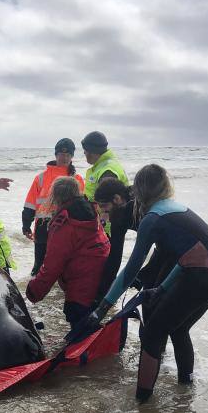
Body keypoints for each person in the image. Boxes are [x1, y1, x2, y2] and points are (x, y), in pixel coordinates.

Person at [85, 164, 208, 402]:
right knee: (178, 327)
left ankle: (142, 403)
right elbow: (187, 256)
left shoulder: (151, 219)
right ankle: (186, 387)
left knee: (153, 331)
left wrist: (101, 309)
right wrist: (161, 288)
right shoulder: (174, 208)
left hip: (202, 276)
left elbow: (131, 269)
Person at [26, 177, 110, 326]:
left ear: (56, 197)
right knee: (92, 331)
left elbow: (53, 264)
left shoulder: (64, 223)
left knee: (79, 335)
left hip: (82, 290)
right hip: (102, 283)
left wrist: (33, 292)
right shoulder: (91, 212)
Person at [93, 178, 166, 301]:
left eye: (105, 206)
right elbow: (115, 255)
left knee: (155, 296)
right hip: (161, 248)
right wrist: (101, 295)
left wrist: (145, 272)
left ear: (117, 199)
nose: (104, 213)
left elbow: (140, 254)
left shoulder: (140, 206)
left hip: (178, 246)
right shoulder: (118, 214)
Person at [22, 138, 85, 275]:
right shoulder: (41, 177)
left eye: (68, 155)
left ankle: (59, 294)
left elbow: (82, 207)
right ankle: (35, 293)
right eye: (61, 154)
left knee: (65, 265)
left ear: (72, 156)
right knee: (39, 266)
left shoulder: (78, 179)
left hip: (67, 226)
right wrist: (26, 224)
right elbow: (30, 203)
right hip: (43, 227)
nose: (64, 158)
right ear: (56, 155)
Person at [82, 131, 129, 234]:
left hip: (107, 225)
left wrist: (103, 220)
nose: (84, 153)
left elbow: (109, 200)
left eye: (85, 150)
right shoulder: (103, 165)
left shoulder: (107, 170)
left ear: (92, 151)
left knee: (111, 250)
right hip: (104, 222)